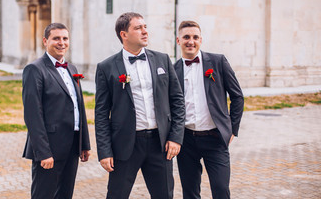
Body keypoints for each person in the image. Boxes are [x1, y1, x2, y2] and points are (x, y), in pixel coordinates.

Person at [95, 12, 185, 198]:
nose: (145, 31)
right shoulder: (107, 67)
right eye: (138, 28)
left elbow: (177, 101)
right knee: (116, 195)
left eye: (145, 27)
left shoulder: (162, 60)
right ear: (124, 34)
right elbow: (101, 114)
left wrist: (176, 137)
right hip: (125, 145)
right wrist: (104, 151)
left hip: (160, 144)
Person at [174, 21, 244, 199]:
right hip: (186, 140)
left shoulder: (217, 61)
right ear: (178, 40)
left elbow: (237, 96)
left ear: (201, 40)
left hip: (215, 138)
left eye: (195, 37)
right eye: (186, 37)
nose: (191, 41)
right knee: (190, 192)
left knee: (221, 190)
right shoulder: (173, 70)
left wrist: (232, 130)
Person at [22, 23, 91, 199]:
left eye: (65, 38)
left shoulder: (72, 68)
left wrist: (84, 143)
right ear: (45, 41)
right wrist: (43, 152)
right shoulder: (34, 69)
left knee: (65, 195)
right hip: (49, 148)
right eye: (56, 38)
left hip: (72, 146)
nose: (62, 43)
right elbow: (33, 115)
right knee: (43, 195)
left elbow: (79, 106)